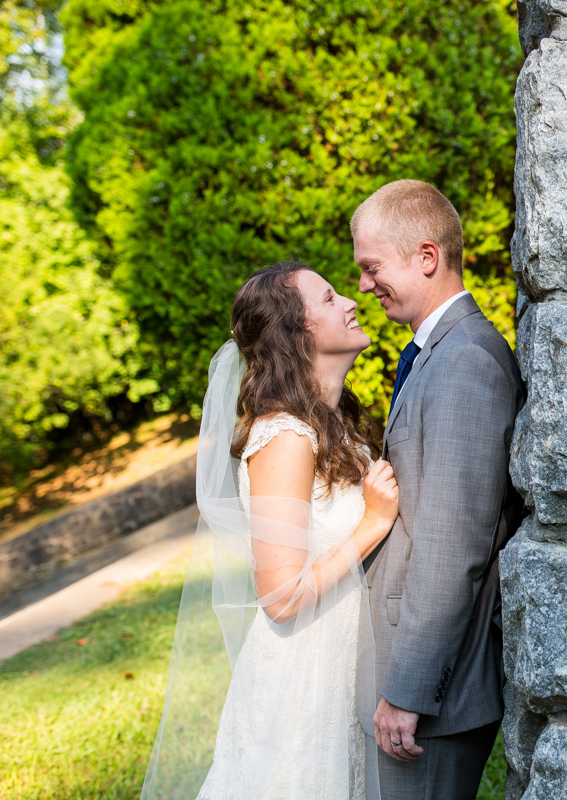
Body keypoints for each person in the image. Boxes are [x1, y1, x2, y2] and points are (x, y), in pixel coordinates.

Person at [141, 261, 398, 800]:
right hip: (303, 678)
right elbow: (281, 596)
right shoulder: (284, 435)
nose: (351, 302)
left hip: (340, 663)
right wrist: (372, 523)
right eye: (328, 300)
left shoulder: (334, 425)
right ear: (294, 333)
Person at [353, 179, 525, 799]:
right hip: (422, 685)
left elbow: (454, 549)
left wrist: (407, 691)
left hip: (434, 700)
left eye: (372, 268)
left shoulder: (466, 362)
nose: (365, 286)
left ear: (426, 258)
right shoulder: (438, 352)